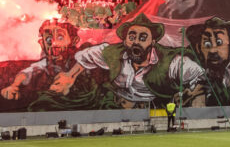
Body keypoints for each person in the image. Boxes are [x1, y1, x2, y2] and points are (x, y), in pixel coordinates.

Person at [49, 14, 206, 109]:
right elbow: (86, 56)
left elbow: (198, 74)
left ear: (153, 42)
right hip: (119, 103)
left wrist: (193, 94)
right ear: (125, 41)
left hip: (155, 105)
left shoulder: (171, 62)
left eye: (143, 38)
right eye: (132, 37)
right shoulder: (113, 53)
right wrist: (70, 76)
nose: (136, 41)